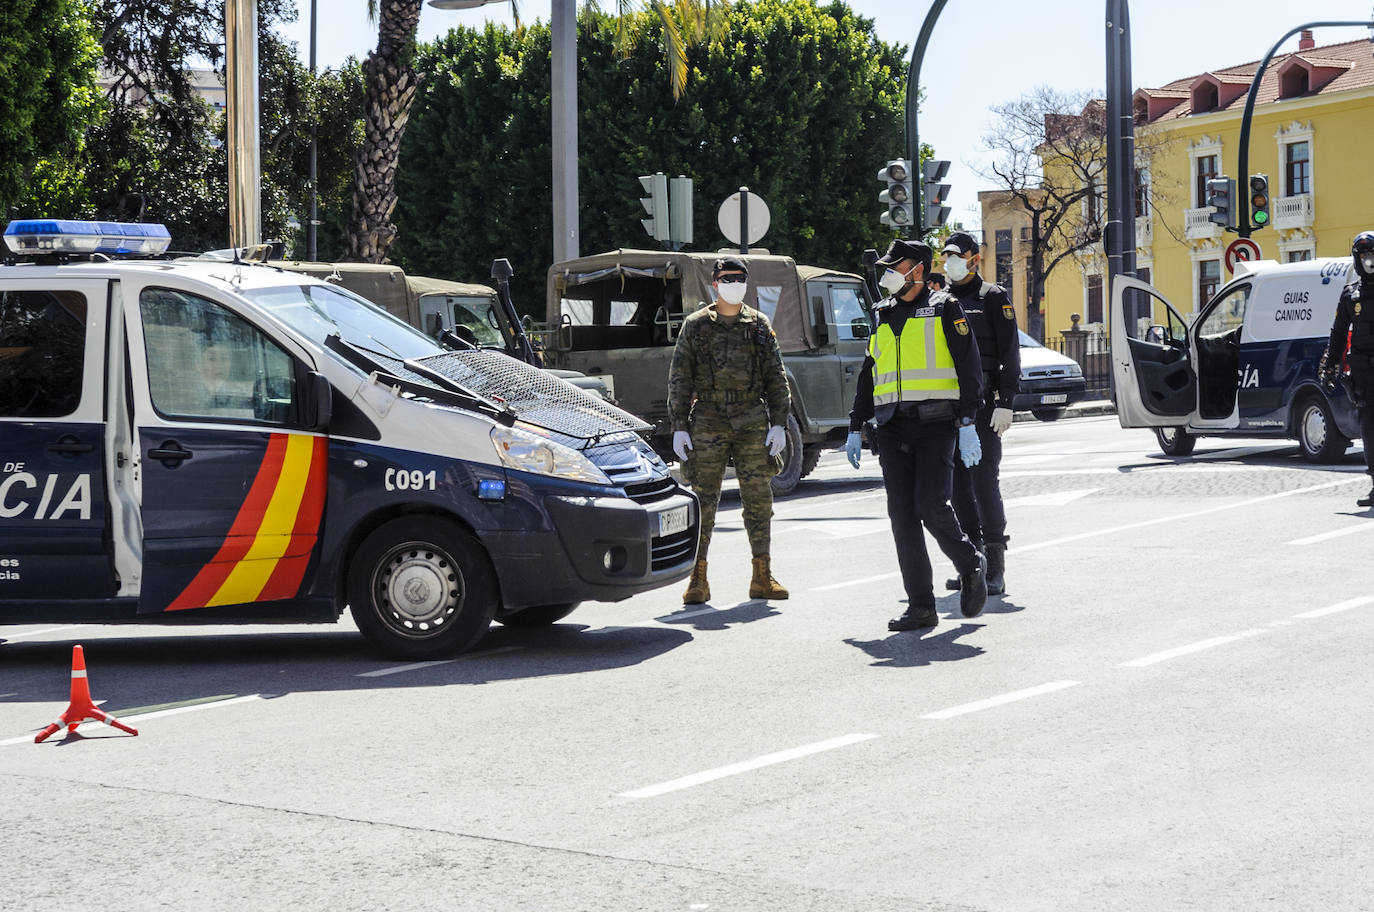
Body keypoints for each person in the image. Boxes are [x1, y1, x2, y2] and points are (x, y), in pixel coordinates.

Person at [845, 238, 988, 631]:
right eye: (888, 266)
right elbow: (870, 371)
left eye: (897, 265)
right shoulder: (882, 313)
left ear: (919, 271)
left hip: (935, 423)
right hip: (891, 427)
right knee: (902, 517)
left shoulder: (946, 308)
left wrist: (969, 421)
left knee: (930, 505)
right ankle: (921, 606)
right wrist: (857, 424)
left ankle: (970, 562)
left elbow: (968, 366)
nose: (889, 272)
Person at [668, 257, 791, 603]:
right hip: (707, 418)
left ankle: (762, 576)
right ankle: (697, 578)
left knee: (759, 500)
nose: (733, 284)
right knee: (704, 501)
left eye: (739, 278)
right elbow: (679, 378)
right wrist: (679, 426)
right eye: (727, 278)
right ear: (715, 283)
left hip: (752, 418)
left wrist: (780, 422)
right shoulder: (696, 325)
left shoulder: (758, 324)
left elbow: (775, 375)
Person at [937, 231, 1020, 596]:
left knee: (984, 481)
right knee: (957, 487)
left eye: (957, 254)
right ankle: (972, 562)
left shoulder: (993, 297)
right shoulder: (941, 299)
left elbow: (1010, 354)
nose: (950, 261)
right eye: (946, 255)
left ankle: (995, 565)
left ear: (974, 257)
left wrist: (1006, 402)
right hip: (948, 404)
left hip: (986, 404)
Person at [1320, 231, 1374, 508]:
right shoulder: (1350, 295)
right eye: (1364, 256)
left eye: (1372, 255)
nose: (1369, 261)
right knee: (1368, 427)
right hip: (1364, 371)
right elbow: (1338, 333)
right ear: (1357, 259)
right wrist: (1330, 365)